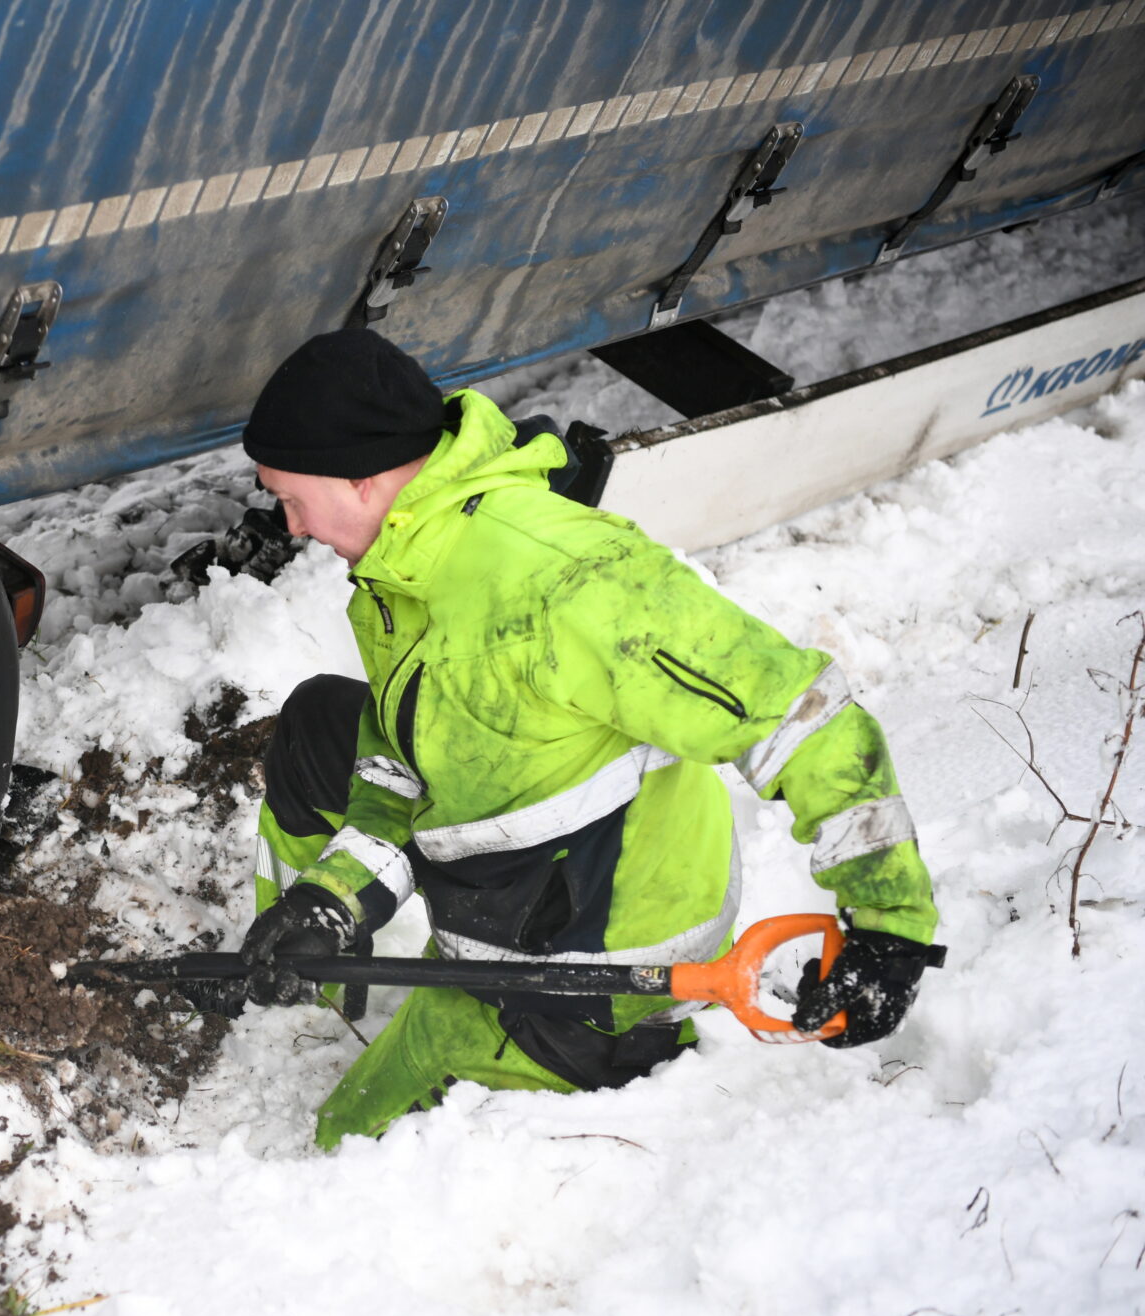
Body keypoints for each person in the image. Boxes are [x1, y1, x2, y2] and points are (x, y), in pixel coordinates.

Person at [232, 328, 943, 1151]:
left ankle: (564, 1056)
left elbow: (797, 714)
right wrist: (337, 902)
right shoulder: (400, 572)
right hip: (512, 885)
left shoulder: (568, 580)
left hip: (592, 971)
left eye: (291, 497)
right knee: (322, 719)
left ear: (360, 475)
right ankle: (307, 986)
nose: (288, 525)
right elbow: (405, 765)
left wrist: (891, 928)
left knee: (344, 1143)